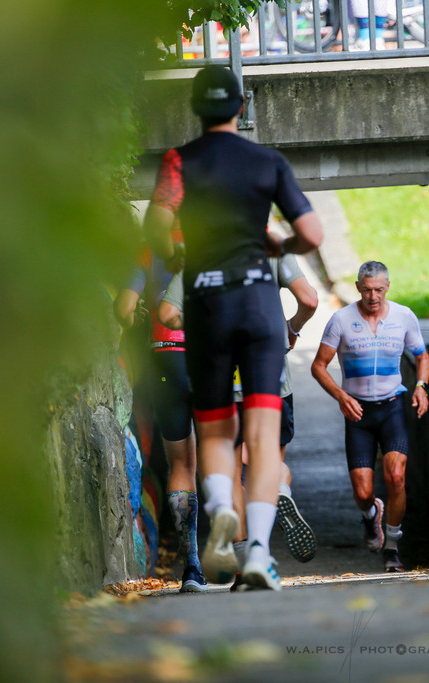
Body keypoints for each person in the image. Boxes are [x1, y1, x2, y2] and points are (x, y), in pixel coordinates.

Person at [143, 65, 323, 591]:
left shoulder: (179, 160)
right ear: (241, 107)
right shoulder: (267, 161)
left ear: (197, 110)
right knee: (263, 436)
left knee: (216, 427)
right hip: (261, 309)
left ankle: (221, 509)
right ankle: (260, 555)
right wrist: (279, 246)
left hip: (207, 305)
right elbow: (310, 232)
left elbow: (157, 221)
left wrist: (176, 252)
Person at [158, 249, 320, 571]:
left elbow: (167, 314)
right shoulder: (271, 248)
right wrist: (292, 327)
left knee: (230, 475)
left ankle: (247, 562)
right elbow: (311, 299)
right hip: (269, 377)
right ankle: (280, 489)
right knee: (266, 463)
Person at [311, 261, 429, 572]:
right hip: (358, 412)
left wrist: (421, 386)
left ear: (387, 287)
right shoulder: (341, 320)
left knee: (396, 477)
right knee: (363, 492)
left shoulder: (404, 316)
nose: (373, 296)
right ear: (357, 288)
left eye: (378, 289)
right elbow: (318, 366)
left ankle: (392, 547)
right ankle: (370, 513)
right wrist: (342, 396)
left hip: (391, 407)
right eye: (366, 290)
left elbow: (422, 355)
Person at [113, 237, 205, 593]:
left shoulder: (148, 250)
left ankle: (192, 566)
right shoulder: (215, 241)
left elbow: (123, 308)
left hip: (166, 354)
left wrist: (138, 316)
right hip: (208, 354)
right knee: (222, 450)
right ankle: (241, 552)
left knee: (181, 462)